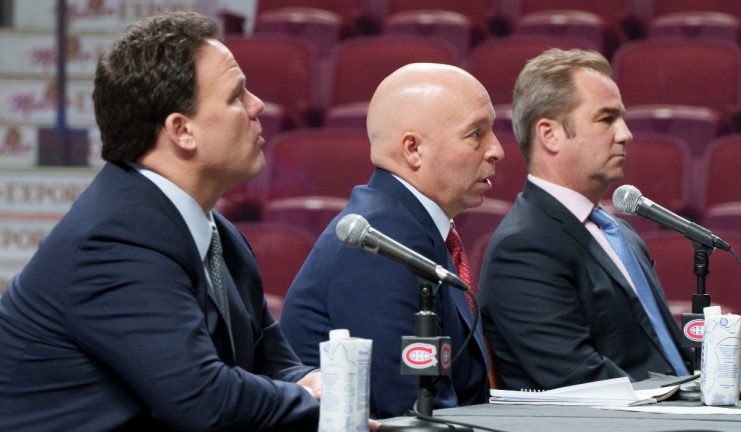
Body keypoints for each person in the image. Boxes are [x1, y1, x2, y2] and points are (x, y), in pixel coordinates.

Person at [0, 12, 320, 431]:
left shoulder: (217, 235)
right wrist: (313, 399)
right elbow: (203, 400)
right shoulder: (115, 238)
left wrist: (315, 383)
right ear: (182, 130)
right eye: (236, 96)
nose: (256, 105)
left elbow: (275, 365)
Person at [280, 63, 504, 418]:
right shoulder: (382, 238)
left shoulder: (407, 225)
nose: (496, 150)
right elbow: (411, 412)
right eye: (476, 134)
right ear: (413, 149)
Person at [479, 48, 692, 391]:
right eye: (606, 119)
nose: (625, 134)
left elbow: (661, 350)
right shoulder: (523, 248)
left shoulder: (618, 231)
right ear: (549, 134)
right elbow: (582, 381)